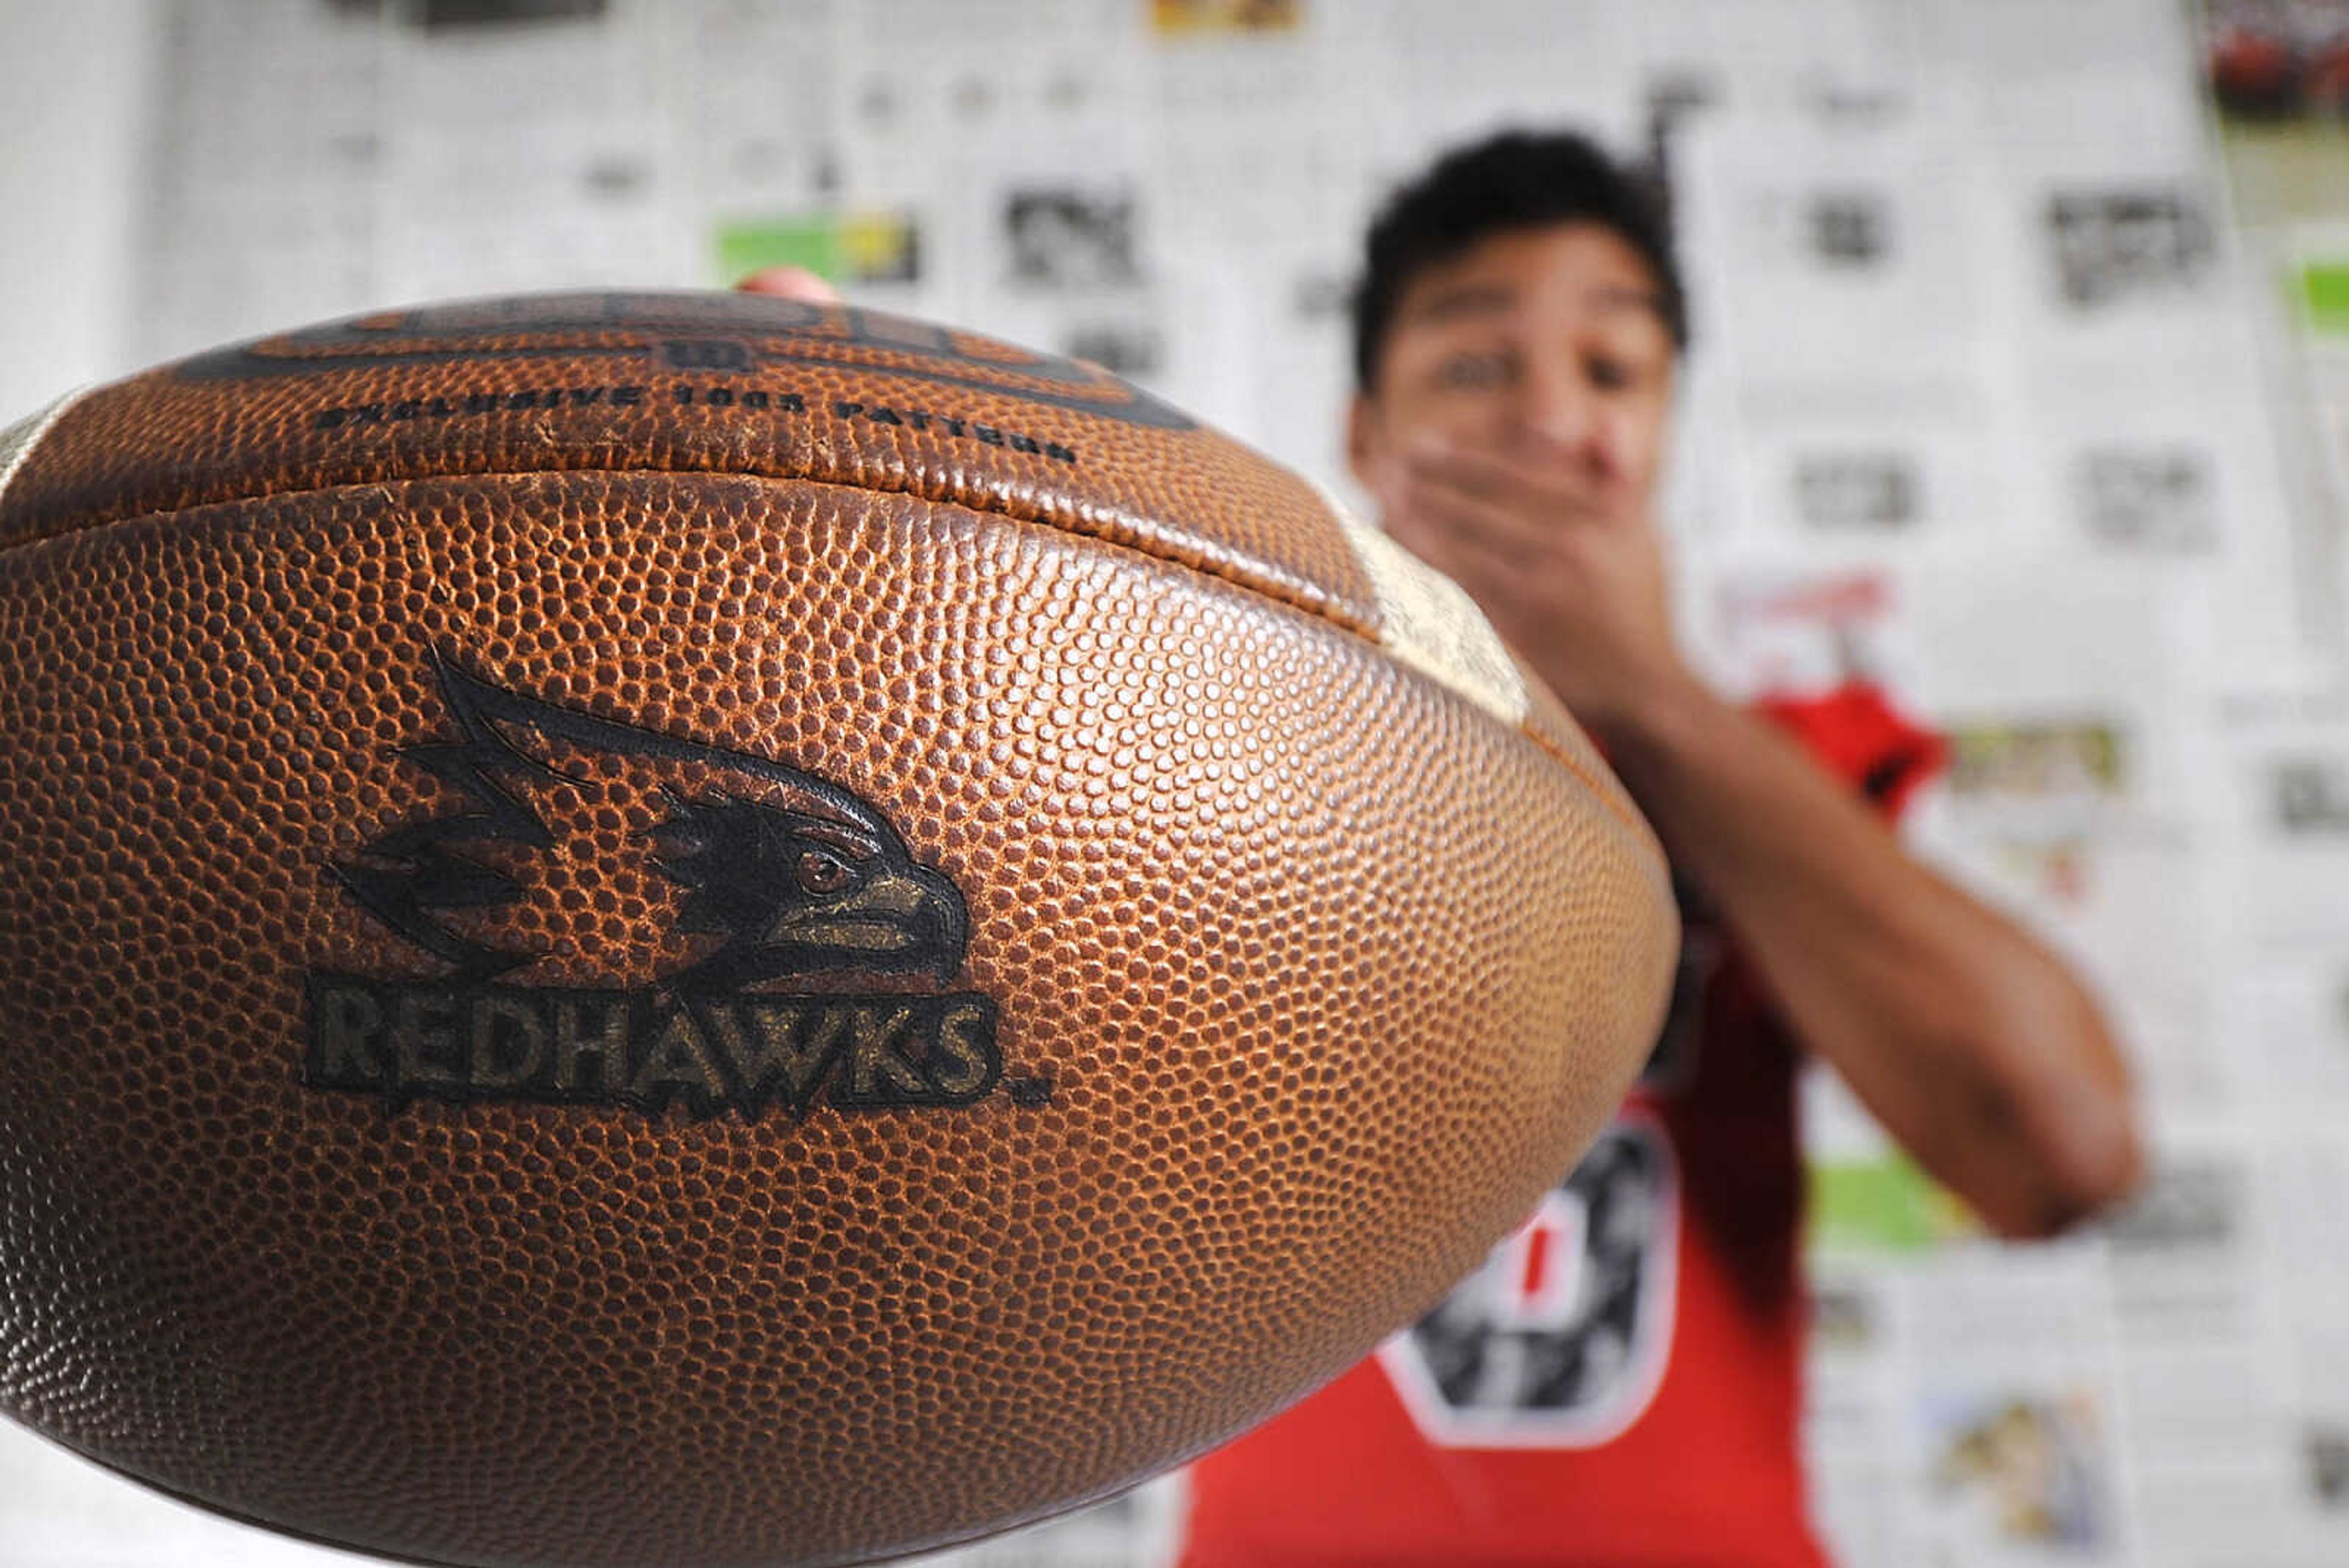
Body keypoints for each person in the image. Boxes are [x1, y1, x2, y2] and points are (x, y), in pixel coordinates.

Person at [1170, 130, 2146, 1568]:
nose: (1554, 422)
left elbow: (2058, 1150)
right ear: (1366, 440)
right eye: (1476, 365)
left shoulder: (1787, 772)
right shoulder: (1198, 765)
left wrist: (1651, 696)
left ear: (1665, 432)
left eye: (1613, 371)